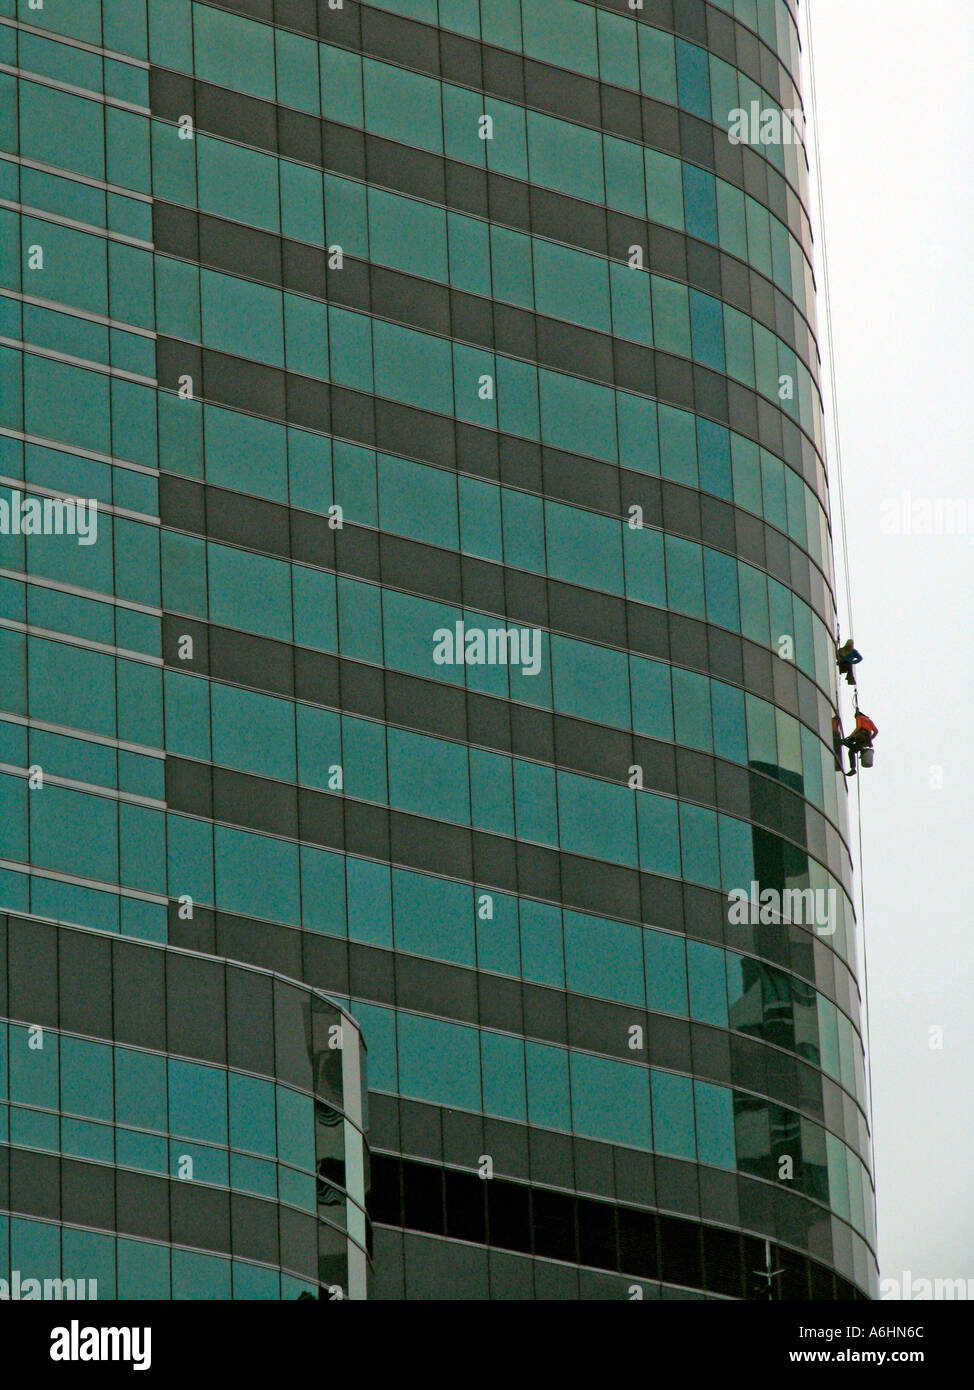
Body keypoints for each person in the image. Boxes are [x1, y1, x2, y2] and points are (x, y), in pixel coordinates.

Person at [842, 710, 878, 776]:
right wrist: (870, 739)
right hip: (866, 738)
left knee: (844, 741)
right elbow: (876, 731)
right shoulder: (869, 720)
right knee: (851, 751)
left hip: (860, 735)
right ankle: (853, 769)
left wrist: (851, 736)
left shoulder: (859, 717)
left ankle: (854, 767)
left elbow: (858, 727)